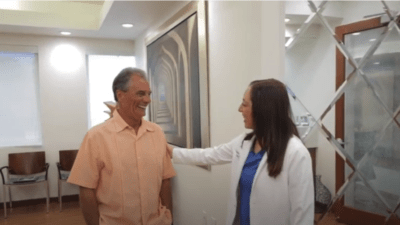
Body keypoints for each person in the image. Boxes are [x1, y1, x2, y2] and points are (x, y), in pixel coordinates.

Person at [170, 79, 314, 225]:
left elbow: (302, 214)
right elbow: (209, 155)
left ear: (263, 109)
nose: (240, 109)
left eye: (245, 104)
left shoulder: (296, 153)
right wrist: (170, 151)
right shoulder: (243, 143)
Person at [68, 68, 176, 225]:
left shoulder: (156, 133)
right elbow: (86, 189)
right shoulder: (96, 137)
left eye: (149, 94)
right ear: (120, 95)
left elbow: (165, 180)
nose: (147, 100)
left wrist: (169, 217)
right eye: (140, 94)